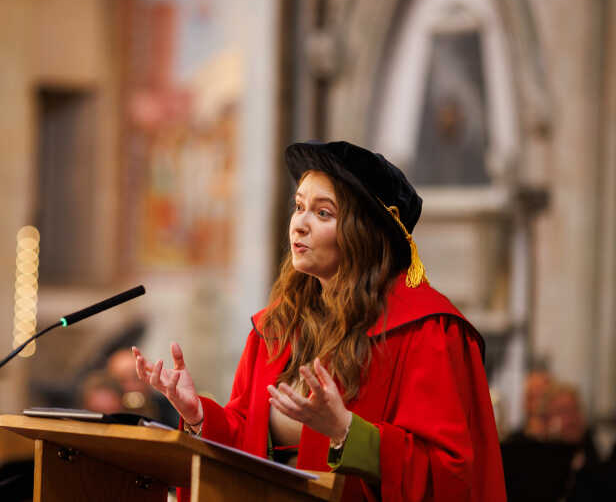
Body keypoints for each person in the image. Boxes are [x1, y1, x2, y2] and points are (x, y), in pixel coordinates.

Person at [132, 140, 506, 501]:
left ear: (366, 234)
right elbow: (248, 441)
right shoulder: (276, 328)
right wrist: (198, 415)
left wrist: (346, 431)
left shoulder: (425, 328)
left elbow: (449, 475)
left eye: (323, 213)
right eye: (298, 207)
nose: (299, 224)